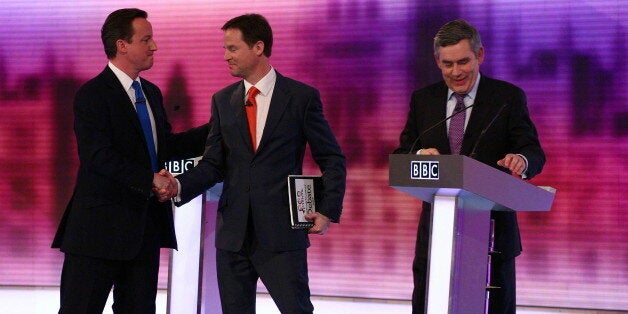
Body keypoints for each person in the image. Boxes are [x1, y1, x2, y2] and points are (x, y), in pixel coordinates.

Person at [156, 13, 346, 314]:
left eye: (232, 48)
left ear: (258, 47)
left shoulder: (301, 97)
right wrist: (180, 184)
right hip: (233, 236)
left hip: (281, 235)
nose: (225, 56)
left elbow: (332, 158)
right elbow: (213, 164)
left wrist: (326, 210)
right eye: (224, 49)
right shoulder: (223, 100)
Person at [51, 8, 209, 313]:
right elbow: (97, 155)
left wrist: (220, 126)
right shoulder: (93, 94)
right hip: (97, 232)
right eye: (146, 39)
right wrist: (149, 179)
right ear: (122, 45)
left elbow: (166, 147)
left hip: (143, 230)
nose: (154, 46)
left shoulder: (150, 92)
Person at [393, 19, 545, 314]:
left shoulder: (507, 98)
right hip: (438, 231)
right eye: (447, 64)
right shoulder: (423, 100)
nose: (456, 72)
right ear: (437, 60)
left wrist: (522, 160)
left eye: (463, 61)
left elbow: (533, 151)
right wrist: (420, 154)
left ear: (480, 55)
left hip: (492, 233)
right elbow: (403, 153)